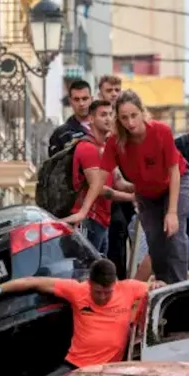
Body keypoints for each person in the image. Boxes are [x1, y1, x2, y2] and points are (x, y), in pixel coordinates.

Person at [0, 258, 162, 376]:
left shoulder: (127, 289)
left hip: (108, 371)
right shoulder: (77, 290)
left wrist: (158, 285)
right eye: (98, 292)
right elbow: (34, 282)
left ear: (115, 284)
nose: (103, 297)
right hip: (74, 367)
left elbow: (162, 290)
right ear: (89, 284)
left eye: (108, 292)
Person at [99, 91, 189, 284]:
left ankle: (179, 283)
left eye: (134, 115)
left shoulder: (161, 131)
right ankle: (163, 283)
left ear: (142, 112)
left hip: (176, 181)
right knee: (154, 238)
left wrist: (172, 212)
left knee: (174, 233)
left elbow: (174, 172)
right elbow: (101, 179)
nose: (130, 122)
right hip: (147, 193)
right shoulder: (115, 142)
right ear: (118, 119)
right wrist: (83, 211)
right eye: (124, 117)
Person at [60, 99, 135, 257]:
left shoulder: (107, 148)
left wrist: (142, 187)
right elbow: (100, 189)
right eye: (103, 115)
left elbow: (119, 182)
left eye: (110, 114)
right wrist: (132, 197)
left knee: (98, 272)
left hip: (102, 221)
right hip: (87, 220)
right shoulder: (87, 148)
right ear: (91, 119)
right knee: (85, 271)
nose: (108, 119)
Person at [98, 75, 136, 278]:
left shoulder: (128, 123)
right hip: (109, 197)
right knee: (114, 241)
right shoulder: (100, 125)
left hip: (130, 190)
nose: (114, 94)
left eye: (117, 90)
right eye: (109, 90)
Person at [48, 79, 93, 156]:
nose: (81, 103)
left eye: (85, 99)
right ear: (70, 101)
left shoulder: (104, 127)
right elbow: (53, 164)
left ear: (91, 99)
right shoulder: (61, 134)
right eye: (76, 99)